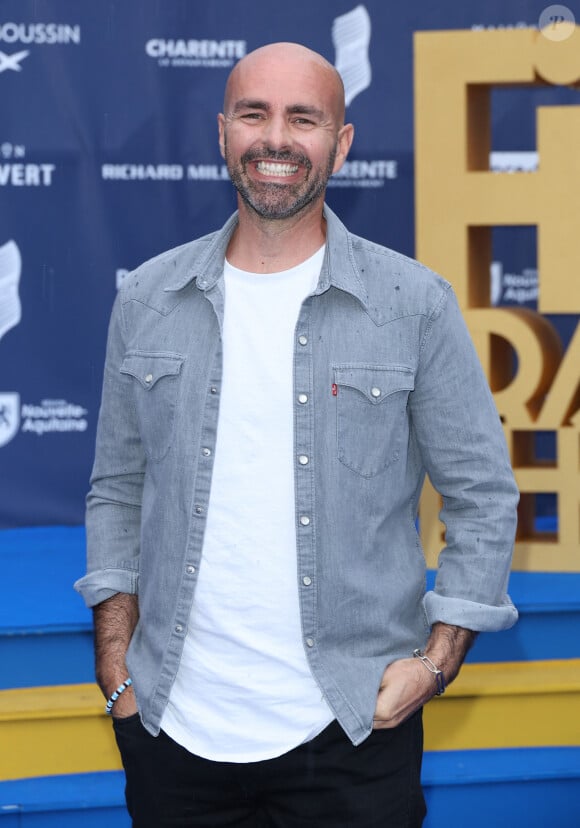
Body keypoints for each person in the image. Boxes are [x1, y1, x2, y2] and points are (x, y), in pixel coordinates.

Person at [75, 42, 519, 827]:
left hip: (351, 734)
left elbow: (482, 497)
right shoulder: (147, 297)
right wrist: (115, 658)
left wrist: (435, 662)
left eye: (303, 118)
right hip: (172, 731)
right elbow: (117, 488)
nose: (276, 139)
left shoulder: (413, 304)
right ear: (222, 134)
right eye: (254, 114)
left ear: (340, 144)